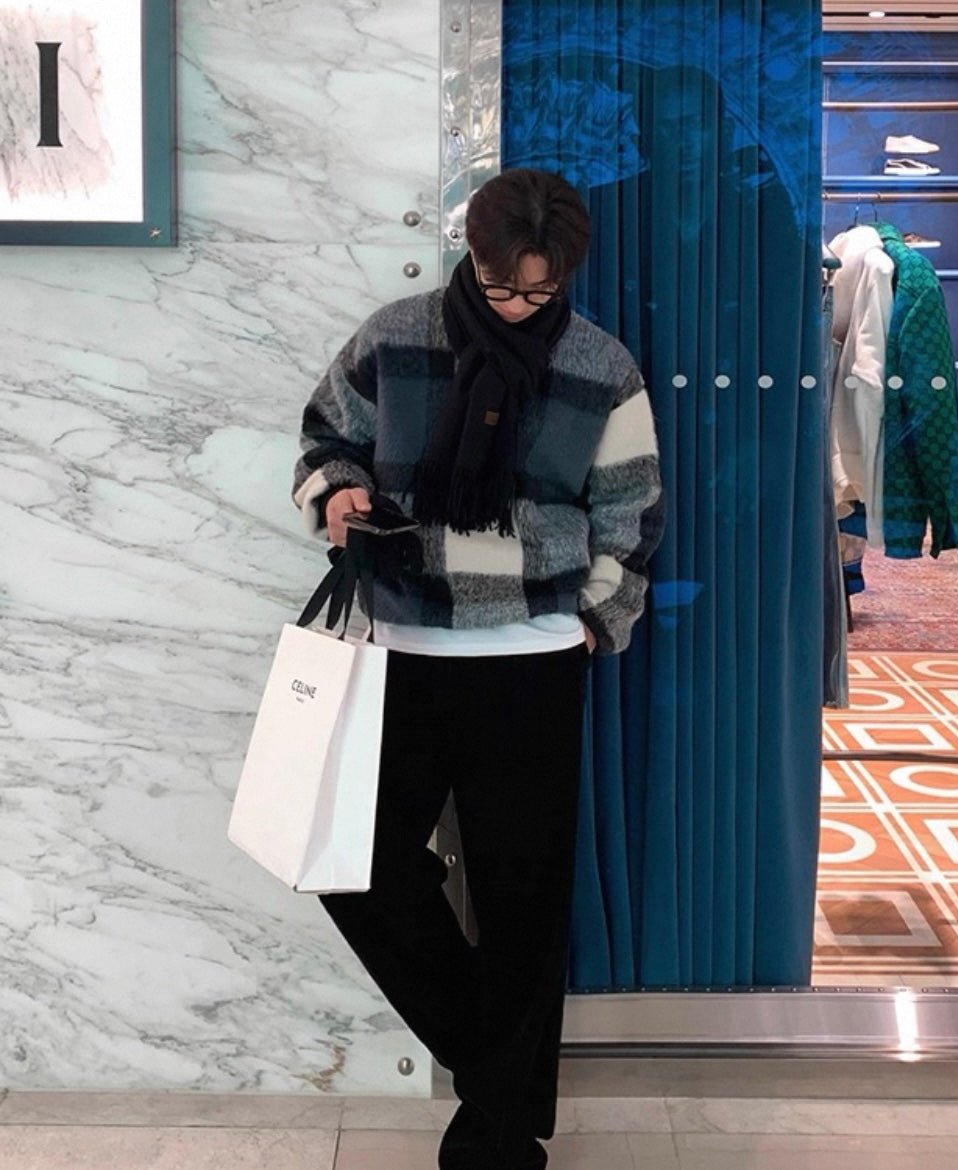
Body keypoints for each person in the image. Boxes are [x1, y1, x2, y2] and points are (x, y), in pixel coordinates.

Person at [292, 168, 664, 1170]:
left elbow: (632, 514)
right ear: (473, 253)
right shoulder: (396, 337)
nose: (517, 306)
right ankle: (500, 1073)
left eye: (540, 292)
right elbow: (328, 439)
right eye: (502, 286)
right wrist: (337, 496)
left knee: (520, 899)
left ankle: (499, 1140)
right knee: (353, 865)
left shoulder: (600, 365)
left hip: (534, 660)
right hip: (405, 647)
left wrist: (596, 620)